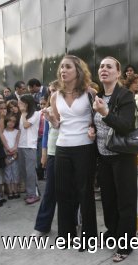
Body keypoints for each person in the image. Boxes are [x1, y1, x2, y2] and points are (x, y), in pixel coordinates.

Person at [46, 55, 97, 245]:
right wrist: (51, 120)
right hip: (62, 147)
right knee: (63, 192)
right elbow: (59, 124)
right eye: (61, 68)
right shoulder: (54, 96)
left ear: (78, 70)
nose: (63, 71)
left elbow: (96, 119)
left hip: (85, 147)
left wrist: (93, 129)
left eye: (67, 67)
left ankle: (89, 237)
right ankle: (66, 235)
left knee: (85, 192)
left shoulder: (89, 93)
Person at [91, 56, 138, 262]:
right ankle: (112, 234)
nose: (104, 69)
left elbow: (126, 125)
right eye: (101, 66)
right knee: (108, 200)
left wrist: (105, 113)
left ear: (118, 73)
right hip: (103, 157)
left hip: (122, 157)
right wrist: (91, 128)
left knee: (125, 201)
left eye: (109, 66)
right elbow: (97, 123)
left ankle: (126, 244)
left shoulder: (125, 95)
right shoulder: (98, 95)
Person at [32, 80, 60, 236]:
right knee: (50, 191)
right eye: (51, 91)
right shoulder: (47, 111)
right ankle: (42, 226)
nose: (53, 93)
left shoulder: (70, 110)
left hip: (70, 152)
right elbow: (45, 135)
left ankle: (76, 222)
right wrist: (44, 154)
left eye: (56, 89)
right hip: (52, 153)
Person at [16, 94, 41, 204]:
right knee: (23, 171)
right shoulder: (22, 114)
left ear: (27, 104)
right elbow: (20, 130)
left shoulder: (35, 114)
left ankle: (33, 194)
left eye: (21, 102)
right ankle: (31, 192)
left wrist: (23, 113)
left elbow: (26, 125)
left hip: (30, 146)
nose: (19, 104)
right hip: (21, 145)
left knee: (30, 171)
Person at [1, 113, 20, 199]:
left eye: (13, 121)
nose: (11, 123)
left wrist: (15, 153)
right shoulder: (3, 132)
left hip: (15, 156)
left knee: (15, 173)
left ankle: (15, 190)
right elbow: (3, 144)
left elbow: (18, 143)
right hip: (6, 156)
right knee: (7, 174)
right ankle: (10, 191)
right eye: (9, 121)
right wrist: (6, 154)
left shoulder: (17, 132)